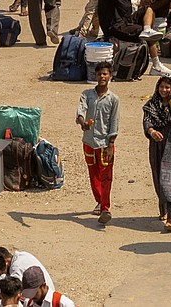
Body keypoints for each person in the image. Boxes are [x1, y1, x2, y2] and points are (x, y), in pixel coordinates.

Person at [142, 74, 171, 231]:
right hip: (158, 145)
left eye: (167, 87)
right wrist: (151, 131)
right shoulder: (152, 104)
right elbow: (147, 121)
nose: (164, 90)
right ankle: (164, 210)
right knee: (159, 178)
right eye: (162, 86)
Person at [77, 61, 120, 225]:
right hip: (89, 141)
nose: (102, 77)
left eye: (105, 74)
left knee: (106, 176)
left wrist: (111, 144)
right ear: (95, 76)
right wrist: (83, 124)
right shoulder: (86, 95)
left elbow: (114, 122)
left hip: (105, 143)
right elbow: (80, 111)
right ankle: (100, 201)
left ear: (110, 76)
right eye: (99, 74)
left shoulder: (114, 99)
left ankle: (105, 208)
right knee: (93, 173)